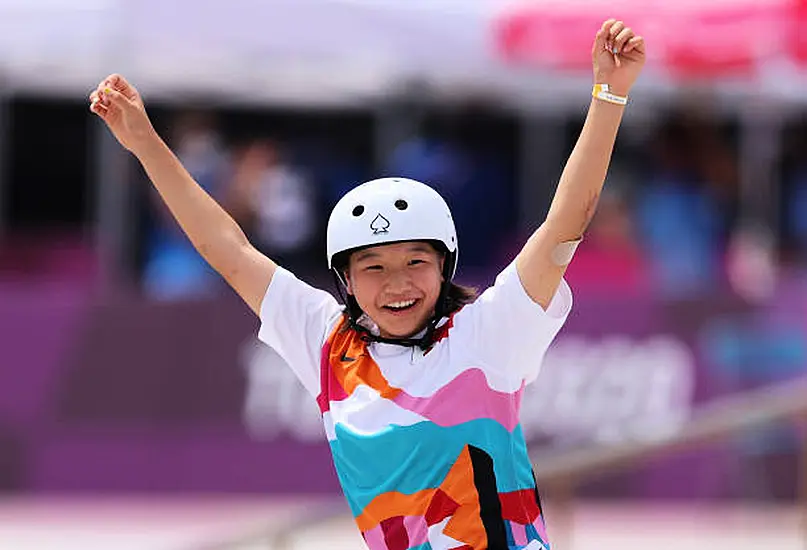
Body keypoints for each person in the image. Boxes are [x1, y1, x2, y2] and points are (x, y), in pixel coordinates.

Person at [89, 19, 645, 550]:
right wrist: (145, 144)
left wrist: (609, 95)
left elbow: (565, 224)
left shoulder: (490, 332)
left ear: (445, 266)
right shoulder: (327, 344)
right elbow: (227, 250)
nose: (396, 284)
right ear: (346, 282)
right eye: (373, 267)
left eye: (414, 263)